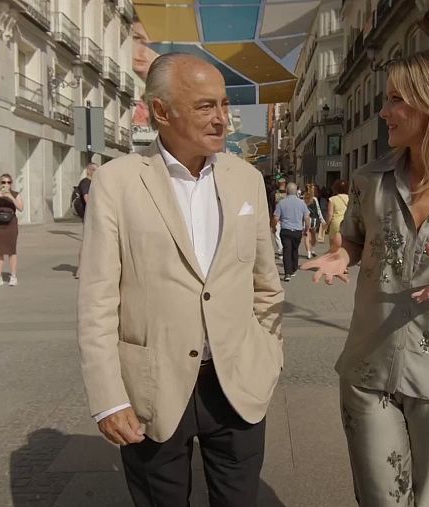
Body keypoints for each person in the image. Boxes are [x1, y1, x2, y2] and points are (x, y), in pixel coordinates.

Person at [302, 49, 429, 506]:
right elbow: (355, 240)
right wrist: (342, 257)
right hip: (367, 367)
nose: (383, 112)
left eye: (396, 99)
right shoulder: (369, 180)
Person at [78, 53, 284, 507]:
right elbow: (97, 299)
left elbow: (266, 282)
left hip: (236, 384)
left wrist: (267, 356)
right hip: (153, 384)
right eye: (205, 106)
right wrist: (108, 397)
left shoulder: (246, 178)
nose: (222, 120)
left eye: (224, 105)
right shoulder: (117, 182)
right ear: (162, 111)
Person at [0, 173, 24, 286]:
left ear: (11, 183)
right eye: (3, 182)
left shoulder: (15, 194)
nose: (6, 185)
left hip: (11, 224)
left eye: (8, 182)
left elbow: (21, 208)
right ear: (0, 183)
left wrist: (11, 197)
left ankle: (13, 276)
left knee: (12, 250)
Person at [273, 182, 311, 282]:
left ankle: (287, 273)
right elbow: (307, 218)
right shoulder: (302, 203)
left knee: (287, 250)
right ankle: (294, 269)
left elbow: (275, 217)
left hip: (285, 230)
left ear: (286, 191)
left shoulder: (281, 203)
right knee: (295, 249)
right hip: (297, 230)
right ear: (296, 192)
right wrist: (306, 229)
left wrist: (273, 227)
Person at [325, 179, 350, 253]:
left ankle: (334, 260)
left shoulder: (332, 199)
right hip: (346, 223)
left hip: (336, 223)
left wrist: (326, 226)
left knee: (333, 247)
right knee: (344, 246)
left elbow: (330, 214)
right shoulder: (350, 198)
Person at [303, 183, 325, 259]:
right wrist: (322, 219)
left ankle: (308, 252)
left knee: (306, 235)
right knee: (313, 235)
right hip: (314, 219)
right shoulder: (314, 199)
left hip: (305, 219)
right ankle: (312, 249)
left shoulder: (303, 198)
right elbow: (318, 210)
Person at [272, 178, 286, 255]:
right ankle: (282, 249)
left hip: (277, 215)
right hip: (285, 216)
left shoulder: (274, 193)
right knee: (283, 233)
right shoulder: (288, 193)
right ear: (284, 183)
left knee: (277, 234)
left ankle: (280, 249)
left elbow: (272, 205)